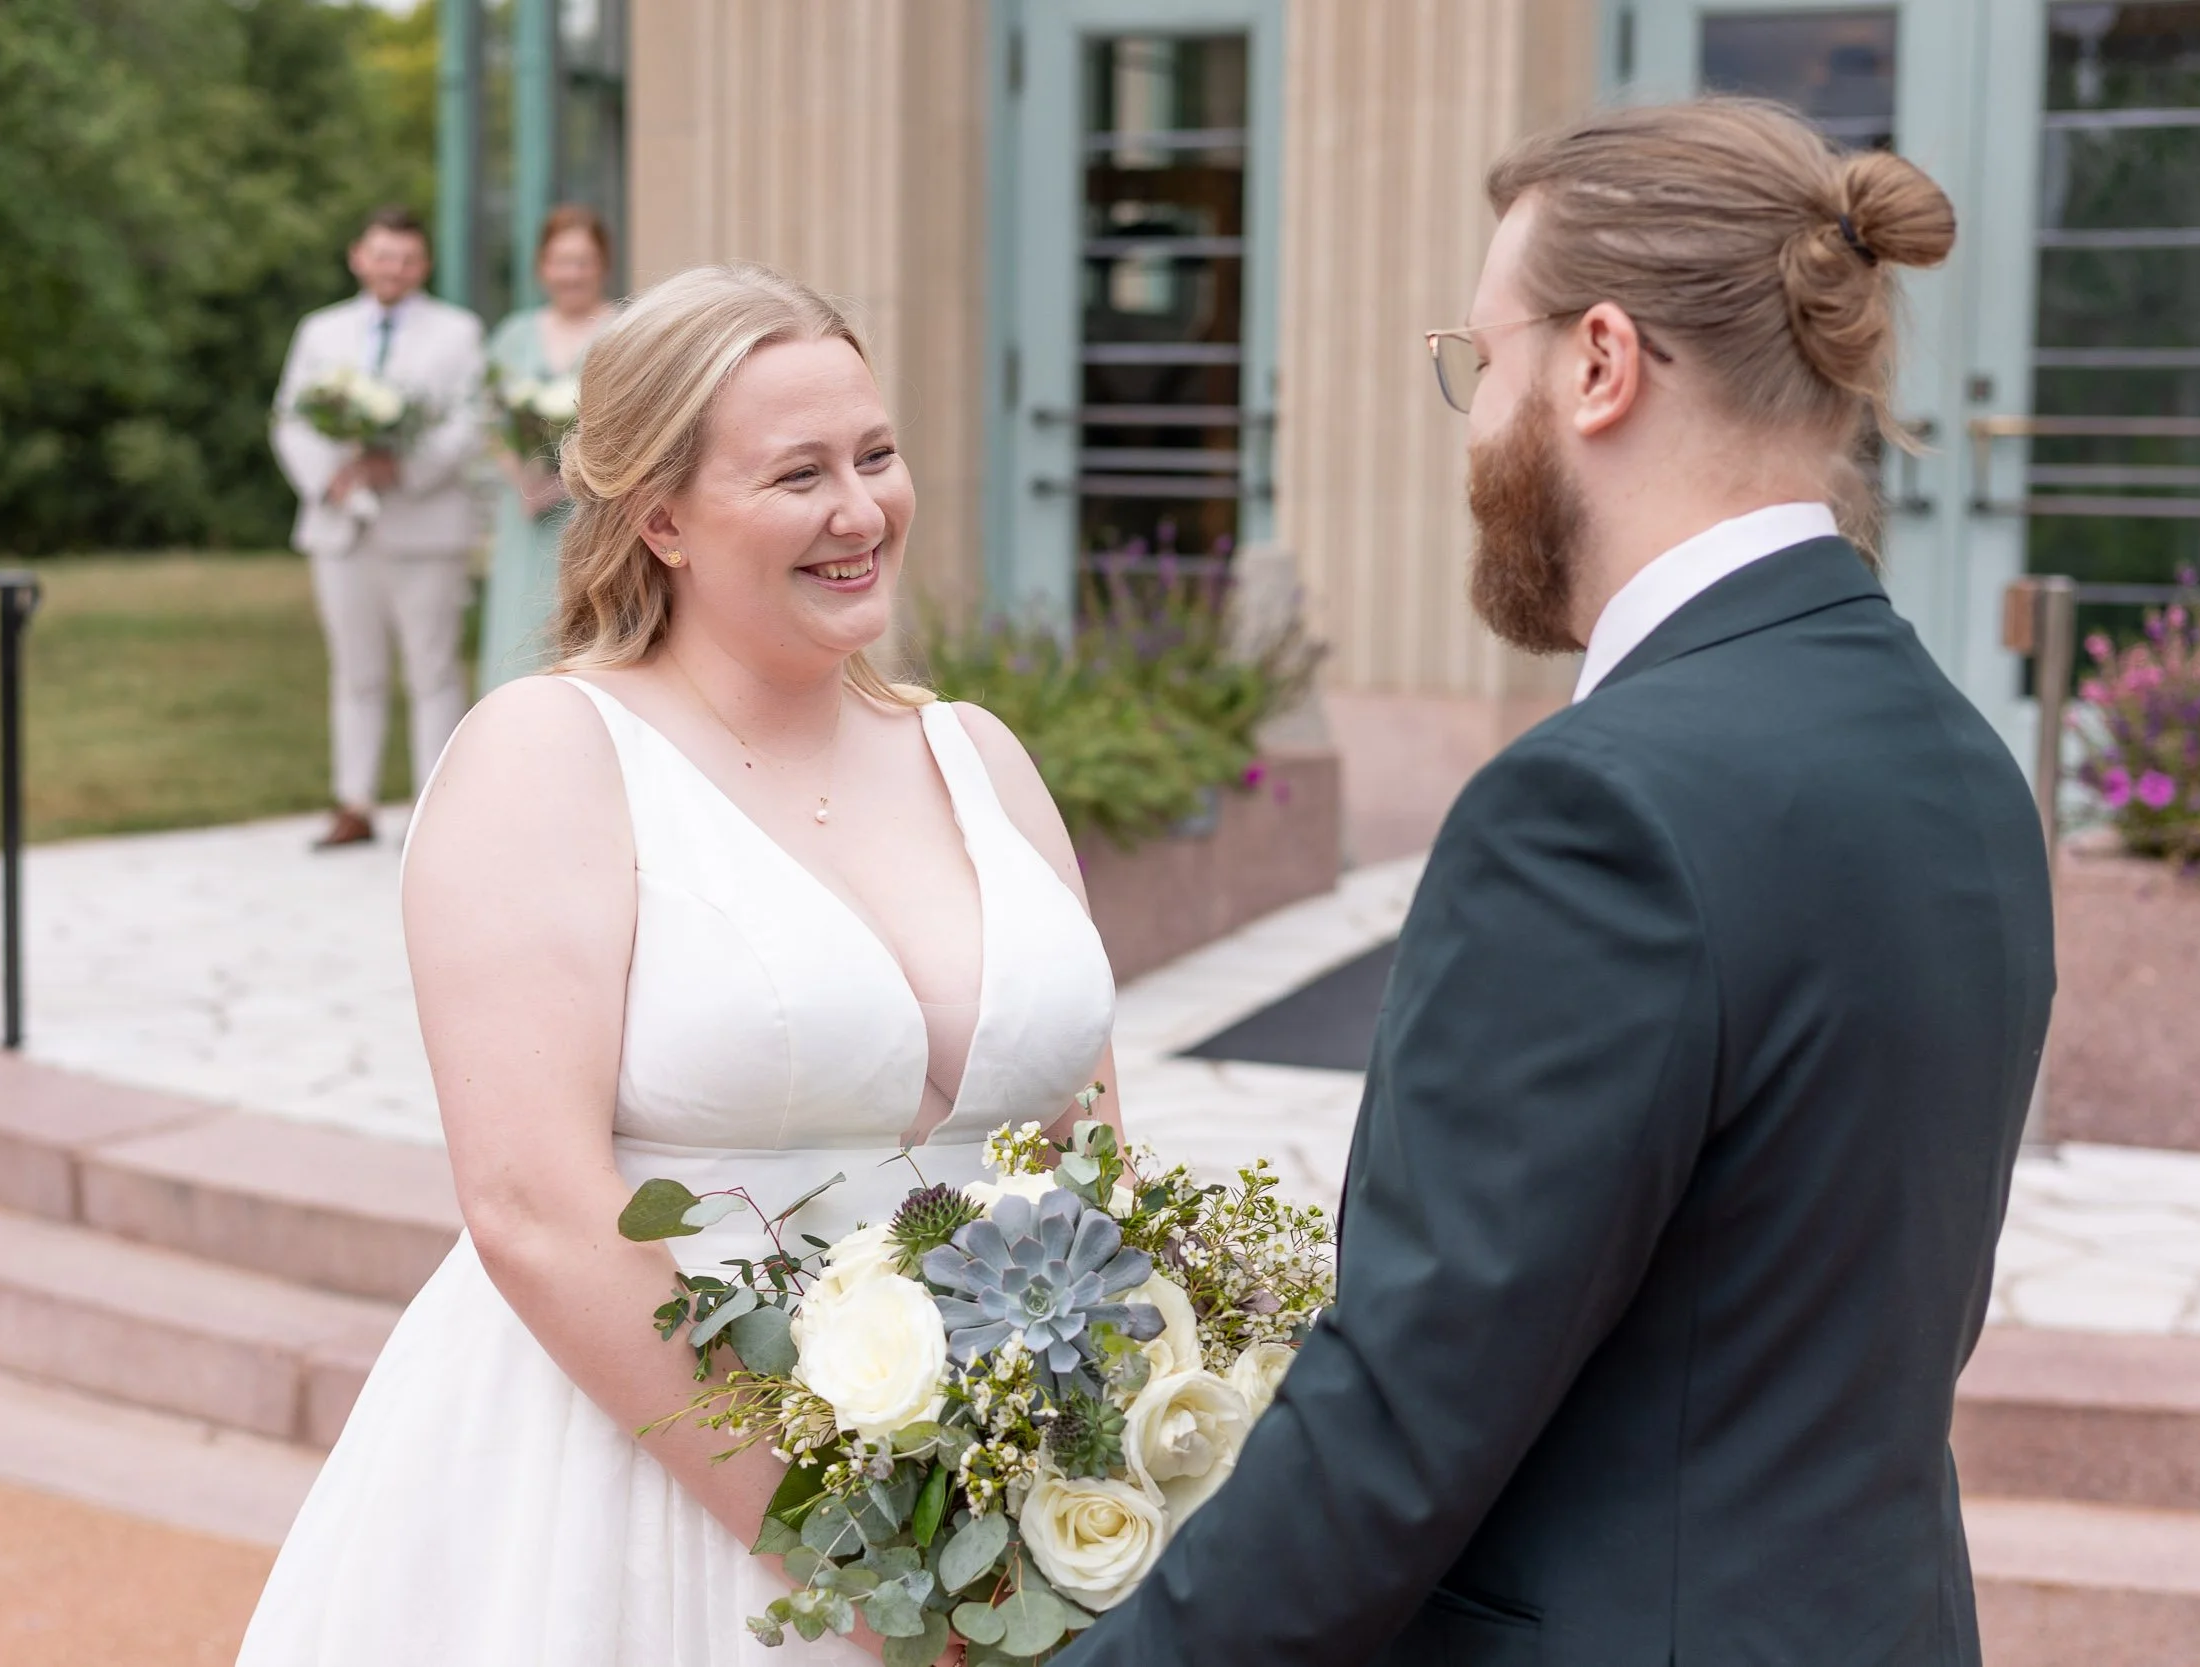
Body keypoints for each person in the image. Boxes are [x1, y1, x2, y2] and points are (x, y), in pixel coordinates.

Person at [1055, 98, 2056, 1667]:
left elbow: (1401, 1418)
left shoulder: (1593, 806)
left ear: (1599, 363)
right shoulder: (1961, 758)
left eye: (1481, 361)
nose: (1471, 422)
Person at [236, 262, 1120, 1665]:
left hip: (999, 1496)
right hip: (656, 1503)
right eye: (797, 474)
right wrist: (863, 1555)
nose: (860, 510)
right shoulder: (552, 755)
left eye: (876, 455)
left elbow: (1094, 1152)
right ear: (659, 516)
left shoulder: (981, 756)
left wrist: (1106, 1450)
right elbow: (533, 1202)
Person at [271, 206, 486, 850]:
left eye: (406, 257)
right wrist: (328, 481)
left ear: (422, 265)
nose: (392, 267)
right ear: (358, 258)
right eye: (381, 254)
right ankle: (354, 802)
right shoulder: (321, 331)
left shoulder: (458, 333)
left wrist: (398, 469)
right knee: (355, 670)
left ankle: (432, 809)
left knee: (433, 670)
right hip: (341, 527)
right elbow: (289, 417)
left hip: (424, 524)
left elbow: (466, 424)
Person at [478, 205, 619, 689]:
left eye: (583, 260)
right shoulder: (514, 335)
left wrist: (566, 482)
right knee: (518, 632)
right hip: (525, 511)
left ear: (603, 264)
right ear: (543, 267)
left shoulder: (622, 332)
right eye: (561, 261)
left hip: (592, 510)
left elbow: (630, 422)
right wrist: (523, 479)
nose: (572, 273)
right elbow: (491, 418)